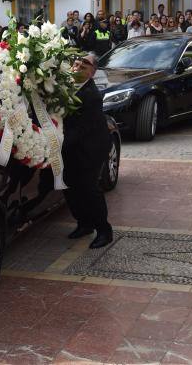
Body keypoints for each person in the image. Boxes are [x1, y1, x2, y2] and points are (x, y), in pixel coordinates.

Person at [63, 55, 113, 249]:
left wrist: (58, 143)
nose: (79, 66)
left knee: (89, 189)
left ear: (92, 72)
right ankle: (84, 223)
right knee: (70, 186)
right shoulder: (65, 86)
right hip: (73, 146)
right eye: (76, 62)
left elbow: (82, 128)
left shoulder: (91, 95)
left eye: (85, 65)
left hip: (92, 147)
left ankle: (104, 230)